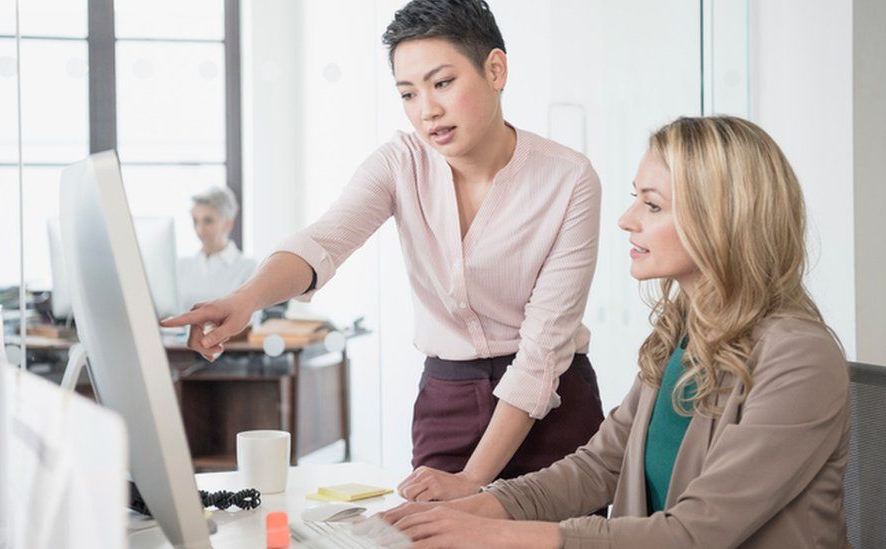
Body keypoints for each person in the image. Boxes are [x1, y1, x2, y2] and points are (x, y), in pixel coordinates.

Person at [162, 0, 605, 501]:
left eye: (442, 83)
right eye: (408, 93)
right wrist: (245, 300)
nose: (426, 110)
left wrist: (473, 481)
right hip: (448, 404)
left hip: (552, 408)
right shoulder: (400, 163)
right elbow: (323, 241)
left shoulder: (568, 179)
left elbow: (541, 354)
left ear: (495, 69)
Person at [372, 116, 851, 548]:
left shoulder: (800, 357)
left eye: (653, 205)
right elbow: (599, 466)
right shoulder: (683, 331)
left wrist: (496, 534)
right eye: (635, 199)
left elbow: (697, 533)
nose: (627, 220)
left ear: (722, 220)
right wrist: (470, 510)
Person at [176, 186, 257, 313]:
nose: (199, 229)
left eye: (208, 221)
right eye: (195, 221)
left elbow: (249, 321)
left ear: (228, 224)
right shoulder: (181, 266)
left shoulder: (248, 269)